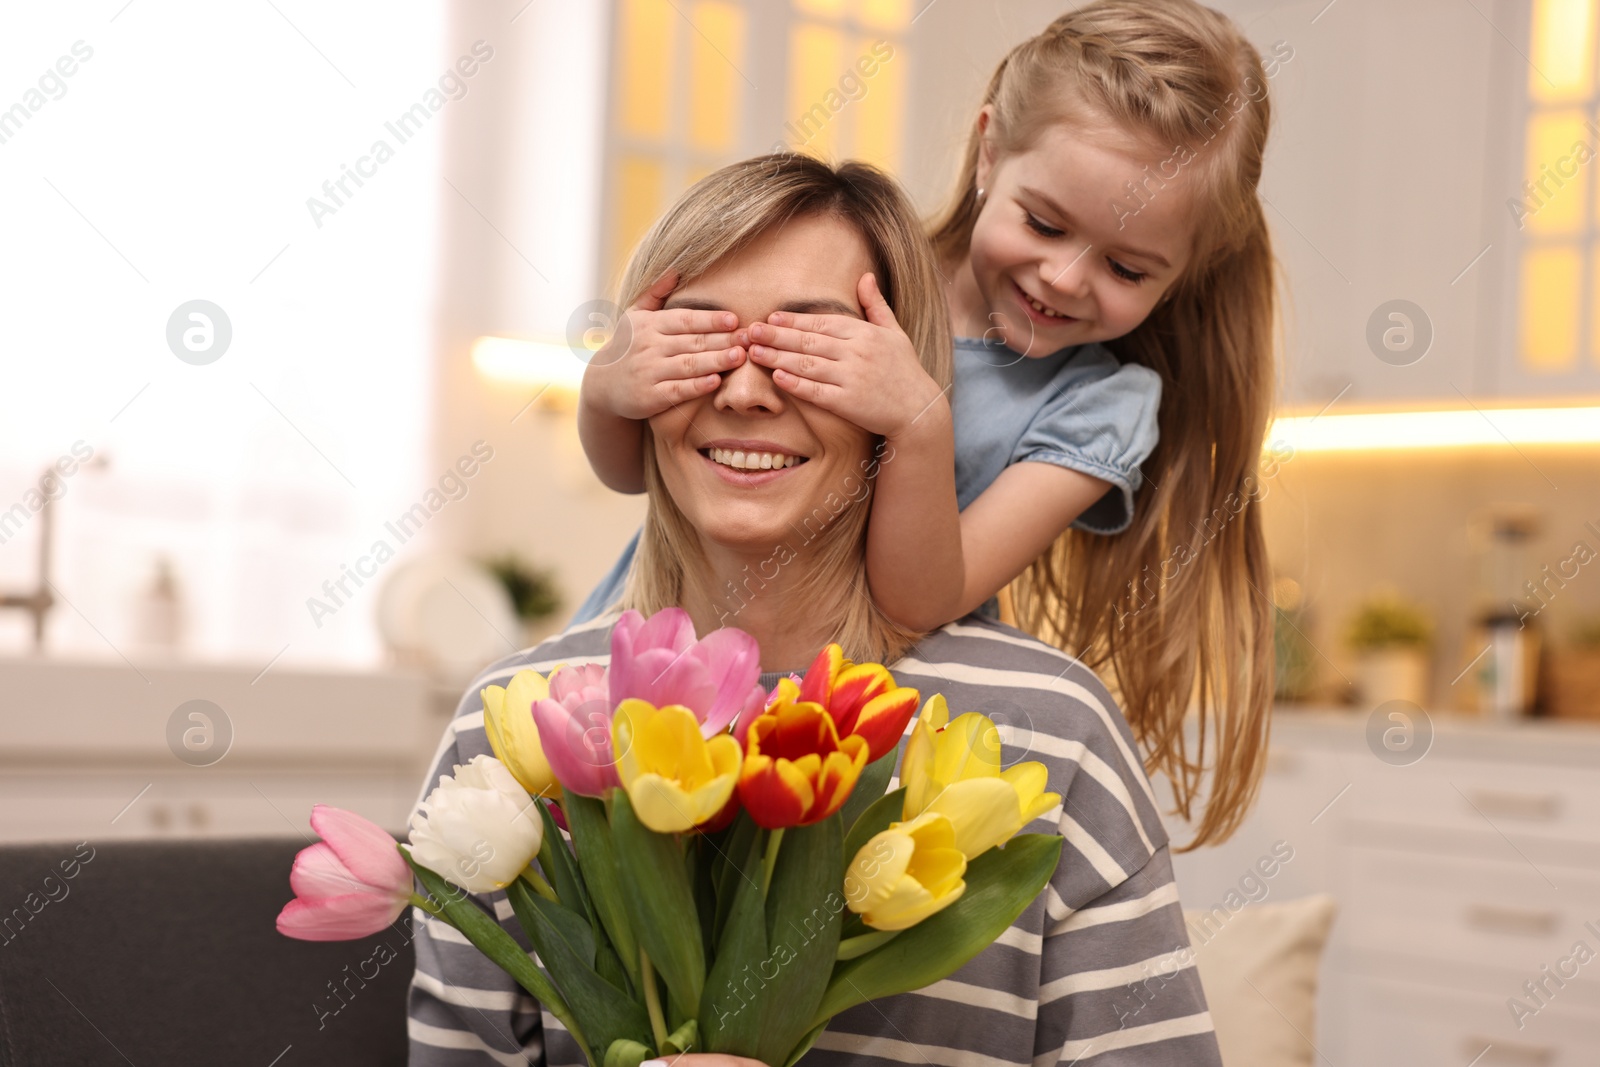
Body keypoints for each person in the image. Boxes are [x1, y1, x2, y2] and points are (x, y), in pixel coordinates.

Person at [408, 154, 1221, 1066]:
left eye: (816, 352)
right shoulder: (513, 727)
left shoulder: (1056, 737)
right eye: (699, 344)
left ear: (904, 395)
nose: (747, 391)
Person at [574, 0, 1280, 849]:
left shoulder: (1102, 408)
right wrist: (608, 389)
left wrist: (916, 420)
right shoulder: (865, 265)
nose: (1062, 277)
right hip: (672, 640)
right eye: (1043, 222)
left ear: (1185, 270)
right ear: (989, 149)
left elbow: (920, 599)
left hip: (853, 709)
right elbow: (626, 471)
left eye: (1128, 267)